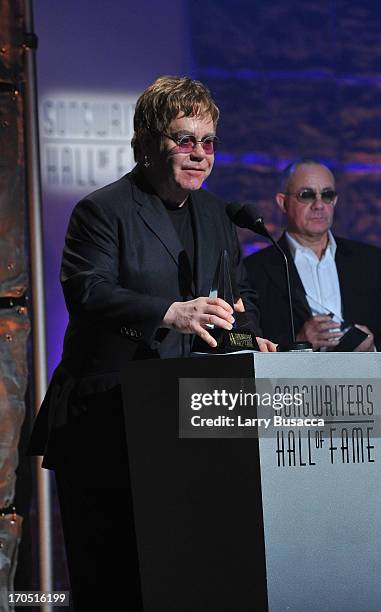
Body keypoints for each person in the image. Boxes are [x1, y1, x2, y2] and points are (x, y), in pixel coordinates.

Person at [29, 76, 276, 611]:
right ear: (144, 142)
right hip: (107, 422)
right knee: (115, 584)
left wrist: (246, 332)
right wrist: (171, 313)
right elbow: (87, 292)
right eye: (183, 139)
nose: (199, 154)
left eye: (208, 142)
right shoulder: (103, 210)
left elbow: (241, 293)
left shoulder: (216, 215)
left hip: (190, 425)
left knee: (185, 582)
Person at [245, 159, 381, 369]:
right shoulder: (254, 269)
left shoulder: (367, 260)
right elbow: (245, 348)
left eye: (327, 195)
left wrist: (372, 353)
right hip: (292, 395)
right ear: (283, 202)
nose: (319, 205)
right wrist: (298, 342)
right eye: (306, 195)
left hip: (358, 395)